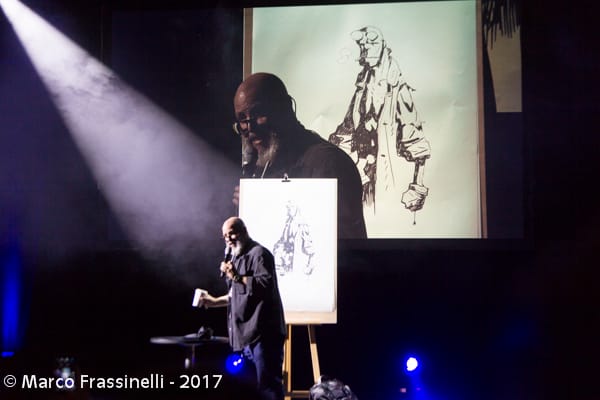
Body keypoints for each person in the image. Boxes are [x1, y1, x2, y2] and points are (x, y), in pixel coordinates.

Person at [232, 72, 367, 239]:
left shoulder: (329, 163)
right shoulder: (265, 167)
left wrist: (263, 209)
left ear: (285, 107)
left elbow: (337, 245)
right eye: (242, 120)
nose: (250, 128)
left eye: (258, 113)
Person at [328, 26, 431, 215]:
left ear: (382, 47)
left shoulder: (397, 89)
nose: (365, 49)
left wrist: (417, 187)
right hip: (361, 175)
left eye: (371, 44)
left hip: (385, 179)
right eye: (362, 45)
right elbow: (346, 130)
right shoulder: (362, 88)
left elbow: (416, 141)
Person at [197, 217, 286, 400]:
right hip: (245, 338)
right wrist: (213, 301)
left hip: (263, 336)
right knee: (250, 391)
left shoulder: (259, 254)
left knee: (268, 387)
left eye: (231, 233)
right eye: (224, 236)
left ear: (244, 231)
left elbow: (265, 285)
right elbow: (237, 294)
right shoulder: (236, 259)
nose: (228, 239)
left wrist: (236, 276)